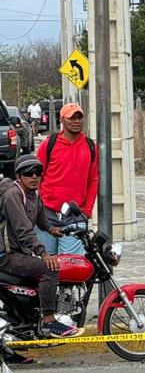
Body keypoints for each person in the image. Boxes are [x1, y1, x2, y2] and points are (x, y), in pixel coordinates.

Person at [0, 154, 81, 338]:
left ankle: (30, 321)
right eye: (28, 173)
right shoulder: (13, 194)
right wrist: (43, 253)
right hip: (6, 255)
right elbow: (24, 230)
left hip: (19, 252)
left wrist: (54, 229)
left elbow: (41, 219)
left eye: (38, 172)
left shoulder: (34, 194)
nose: (34, 176)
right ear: (18, 176)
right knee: (49, 269)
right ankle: (49, 321)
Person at [35, 102, 96, 257]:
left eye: (79, 117)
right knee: (46, 266)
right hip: (46, 214)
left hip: (75, 216)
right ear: (62, 120)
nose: (76, 121)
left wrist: (86, 211)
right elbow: (36, 177)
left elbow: (93, 180)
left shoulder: (90, 146)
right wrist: (37, 207)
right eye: (71, 118)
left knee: (72, 265)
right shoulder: (49, 144)